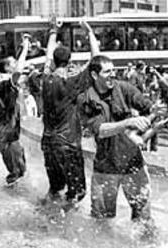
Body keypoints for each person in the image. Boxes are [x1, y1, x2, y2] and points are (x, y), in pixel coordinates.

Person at [29, 19, 99, 207]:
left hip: (48, 143)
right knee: (78, 192)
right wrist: (90, 33)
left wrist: (53, 31)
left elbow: (47, 60)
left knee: (55, 188)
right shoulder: (71, 83)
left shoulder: (45, 79)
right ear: (68, 62)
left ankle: (45, 218)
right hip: (67, 144)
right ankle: (65, 229)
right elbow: (96, 60)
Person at [82, 55, 154, 227]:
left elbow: (149, 107)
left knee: (143, 217)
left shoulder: (123, 88)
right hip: (105, 168)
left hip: (133, 164)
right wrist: (128, 123)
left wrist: (143, 132)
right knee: (101, 221)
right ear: (94, 75)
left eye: (113, 70)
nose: (112, 75)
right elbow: (100, 130)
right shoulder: (87, 98)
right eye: (107, 72)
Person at [0, 34, 30, 186]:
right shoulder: (7, 84)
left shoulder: (1, 83)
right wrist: (26, 47)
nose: (16, 64)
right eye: (13, 63)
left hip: (5, 131)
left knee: (17, 169)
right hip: (7, 133)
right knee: (17, 171)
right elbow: (18, 70)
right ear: (8, 68)